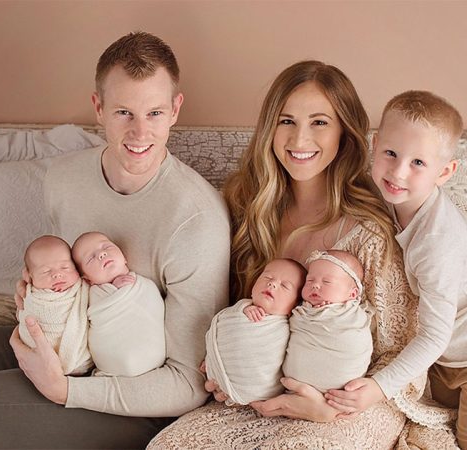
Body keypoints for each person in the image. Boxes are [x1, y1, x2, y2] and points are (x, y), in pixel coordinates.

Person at [149, 61, 449, 449]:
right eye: (286, 121)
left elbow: (398, 353)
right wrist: (221, 366)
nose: (299, 138)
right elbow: (216, 310)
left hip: (351, 403)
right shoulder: (243, 207)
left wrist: (330, 408)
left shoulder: (369, 231)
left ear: (345, 132)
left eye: (320, 122)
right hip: (255, 396)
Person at [0, 31, 230, 449]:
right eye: (123, 112)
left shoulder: (195, 221)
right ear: (98, 108)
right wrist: (43, 292)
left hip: (140, 405)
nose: (139, 133)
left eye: (154, 112)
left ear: (175, 109)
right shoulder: (63, 179)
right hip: (72, 352)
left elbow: (188, 384)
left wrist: (65, 391)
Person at [321, 90, 467, 449]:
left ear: (445, 172)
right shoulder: (391, 197)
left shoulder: (436, 242)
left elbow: (433, 336)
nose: (398, 172)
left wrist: (379, 387)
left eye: (418, 163)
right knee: (444, 416)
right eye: (391, 154)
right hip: (451, 357)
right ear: (375, 144)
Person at [204, 258, 305, 406]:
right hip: (220, 369)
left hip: (261, 390)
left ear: (295, 304)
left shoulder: (287, 327)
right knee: (209, 384)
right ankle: (216, 372)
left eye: (284, 286)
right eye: (267, 278)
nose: (272, 283)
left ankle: (234, 389)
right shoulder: (240, 310)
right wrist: (244, 308)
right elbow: (224, 325)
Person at [72, 231, 166, 377]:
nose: (101, 254)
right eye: (91, 258)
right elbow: (96, 313)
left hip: (153, 352)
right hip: (114, 357)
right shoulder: (94, 294)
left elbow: (153, 307)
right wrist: (114, 288)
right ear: (87, 280)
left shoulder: (144, 285)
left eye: (107, 247)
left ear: (124, 257)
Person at [283, 249, 372, 393]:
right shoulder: (301, 308)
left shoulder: (351, 316)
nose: (315, 285)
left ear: (353, 294)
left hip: (339, 389)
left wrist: (326, 314)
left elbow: (356, 342)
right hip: (294, 384)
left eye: (327, 282)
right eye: (310, 280)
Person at [17, 235, 91, 376]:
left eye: (65, 267)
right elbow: (22, 313)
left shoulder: (84, 288)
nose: (57, 274)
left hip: (79, 365)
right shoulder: (33, 295)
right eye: (46, 271)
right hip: (31, 357)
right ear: (29, 276)